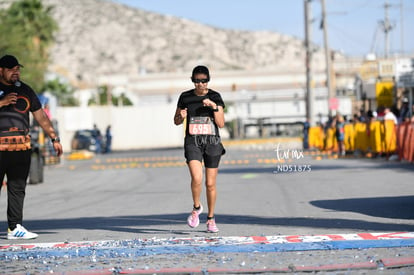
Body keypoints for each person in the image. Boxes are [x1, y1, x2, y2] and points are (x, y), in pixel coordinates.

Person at [0, 55, 63, 239]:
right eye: (11, 69)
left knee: (17, 188)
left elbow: (40, 116)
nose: (16, 72)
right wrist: (2, 103)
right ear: (1, 70)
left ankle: (15, 228)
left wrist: (54, 137)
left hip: (21, 148)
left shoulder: (25, 90)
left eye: (18, 69)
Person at [173, 65, 225, 233]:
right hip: (192, 141)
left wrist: (213, 107)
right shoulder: (185, 97)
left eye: (203, 81)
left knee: (210, 184)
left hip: (212, 142)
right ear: (193, 81)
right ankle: (196, 208)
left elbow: (221, 123)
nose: (200, 84)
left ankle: (210, 219)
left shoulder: (215, 96)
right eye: (197, 81)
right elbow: (176, 120)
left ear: (208, 81)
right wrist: (180, 117)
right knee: (197, 178)